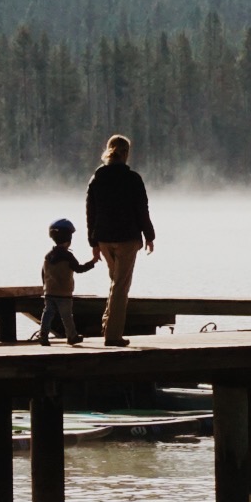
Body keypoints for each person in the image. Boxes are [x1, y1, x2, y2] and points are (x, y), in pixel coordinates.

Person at [85, 134, 155, 346]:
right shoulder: (132, 179)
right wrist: (149, 235)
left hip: (104, 239)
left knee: (116, 283)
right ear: (125, 153)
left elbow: (91, 212)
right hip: (126, 239)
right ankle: (113, 336)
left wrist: (93, 243)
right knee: (121, 286)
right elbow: (142, 209)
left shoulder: (97, 178)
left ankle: (108, 326)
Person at [39, 218, 97, 346]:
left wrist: (45, 287)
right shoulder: (68, 256)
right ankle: (72, 336)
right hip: (64, 293)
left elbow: (43, 273)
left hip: (49, 292)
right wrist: (93, 262)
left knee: (47, 314)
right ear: (68, 240)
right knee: (66, 316)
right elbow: (79, 269)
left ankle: (43, 335)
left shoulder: (48, 256)